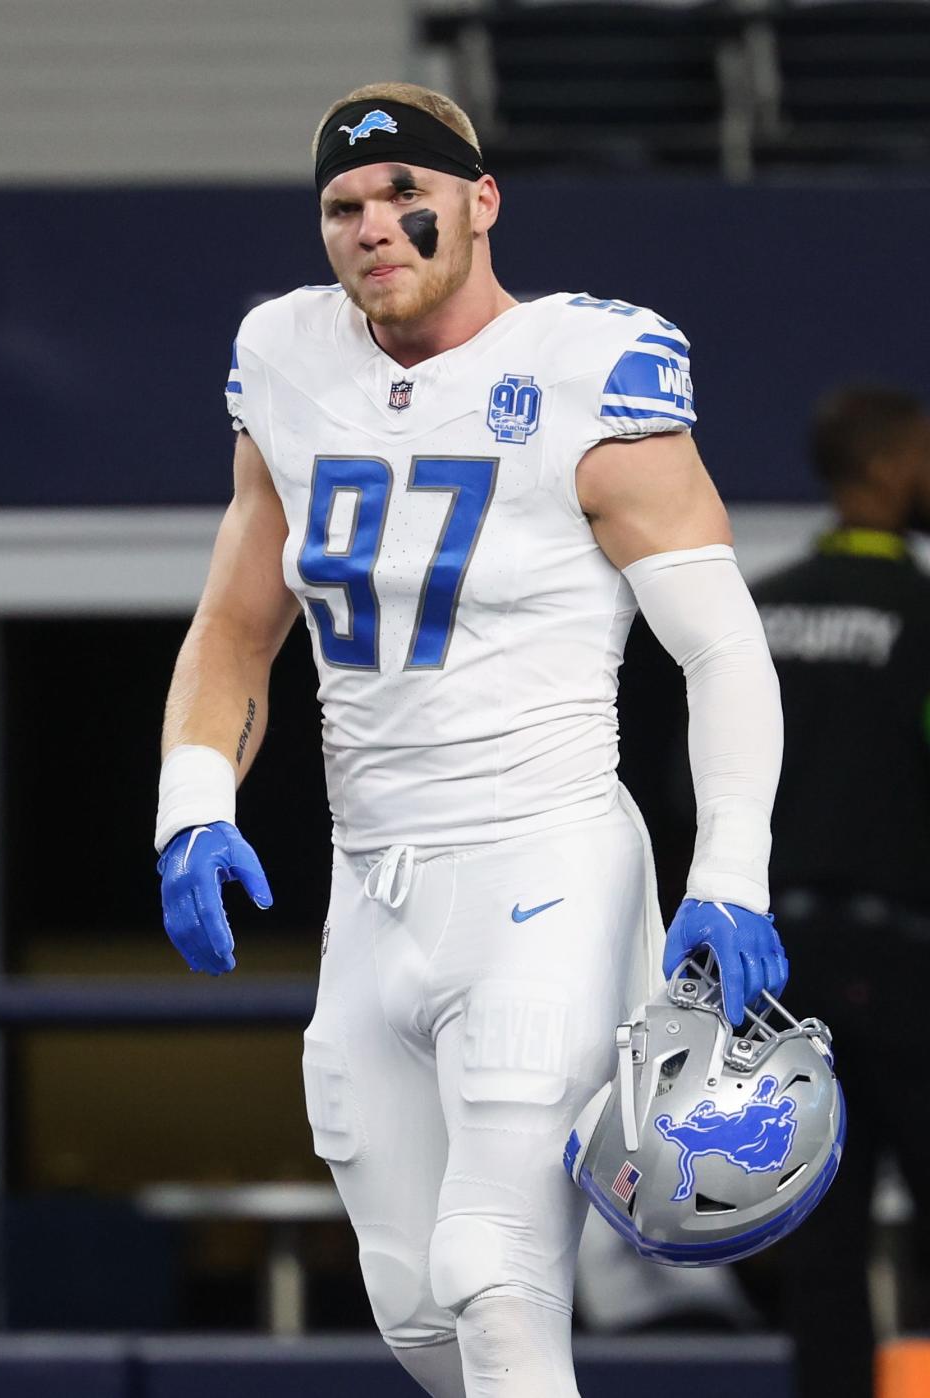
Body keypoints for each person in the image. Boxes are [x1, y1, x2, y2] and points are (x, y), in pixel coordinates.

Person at [154, 82, 787, 1397]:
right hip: (373, 884)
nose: (375, 226)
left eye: (406, 196)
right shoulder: (285, 359)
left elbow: (721, 644)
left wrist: (729, 869)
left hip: (546, 860)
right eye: (344, 205)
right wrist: (193, 798)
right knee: (420, 1317)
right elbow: (236, 622)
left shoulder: (584, 368)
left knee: (495, 1274)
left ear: (481, 202)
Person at [752, 386, 930, 1398]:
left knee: (820, 1246)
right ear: (889, 468)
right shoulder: (921, 613)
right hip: (907, 964)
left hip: (778, 977)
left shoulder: (758, 610)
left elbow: (687, 794)